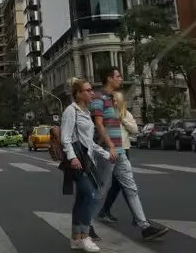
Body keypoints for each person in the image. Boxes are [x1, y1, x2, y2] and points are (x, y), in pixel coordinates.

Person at [92, 67, 169, 242]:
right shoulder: (99, 97)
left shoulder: (113, 99)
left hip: (120, 152)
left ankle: (145, 227)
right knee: (100, 190)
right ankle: (85, 224)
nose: (121, 79)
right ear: (109, 78)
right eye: (118, 76)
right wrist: (110, 146)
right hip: (106, 152)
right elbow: (99, 124)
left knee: (131, 188)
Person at [60, 78, 110, 252]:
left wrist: (105, 153)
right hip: (76, 160)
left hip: (87, 159)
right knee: (90, 195)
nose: (91, 93)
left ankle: (76, 238)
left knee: (82, 197)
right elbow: (65, 138)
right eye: (88, 90)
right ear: (79, 94)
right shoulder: (70, 111)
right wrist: (73, 158)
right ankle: (85, 236)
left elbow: (89, 142)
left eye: (91, 90)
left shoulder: (86, 112)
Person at [96, 91, 139, 225]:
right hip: (112, 151)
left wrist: (123, 120)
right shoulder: (107, 114)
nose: (114, 103)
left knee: (119, 184)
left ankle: (104, 211)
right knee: (122, 184)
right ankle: (136, 216)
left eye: (116, 101)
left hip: (124, 151)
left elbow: (135, 129)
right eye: (112, 100)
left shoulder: (126, 114)